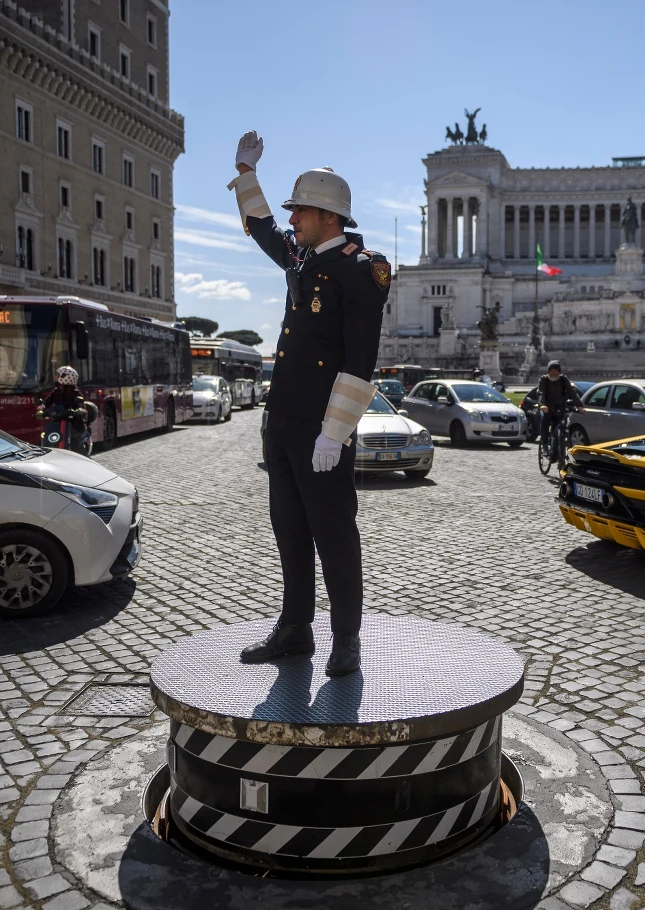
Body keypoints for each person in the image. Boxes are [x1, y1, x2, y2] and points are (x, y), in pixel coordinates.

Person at [227, 130, 389, 677]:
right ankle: (295, 629)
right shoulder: (302, 255)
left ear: (327, 215)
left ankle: (347, 639)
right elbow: (261, 228)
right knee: (290, 532)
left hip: (322, 428)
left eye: (301, 211)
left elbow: (360, 359)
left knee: (334, 534)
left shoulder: (360, 270)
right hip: (283, 421)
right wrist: (246, 174)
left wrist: (334, 431)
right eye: (293, 210)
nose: (292, 219)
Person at [38, 366, 89, 450]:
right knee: (48, 434)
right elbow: (48, 400)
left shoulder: (75, 393)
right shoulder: (56, 391)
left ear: (66, 378)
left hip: (73, 422)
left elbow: (83, 407)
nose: (56, 377)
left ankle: (77, 453)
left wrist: (80, 411)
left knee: (75, 441)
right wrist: (42, 407)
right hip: (58, 420)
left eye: (58, 375)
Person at [536, 360, 580, 457]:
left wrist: (579, 405)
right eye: (551, 370)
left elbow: (572, 392)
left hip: (559, 408)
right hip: (546, 408)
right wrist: (542, 404)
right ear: (548, 371)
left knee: (560, 427)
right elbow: (541, 392)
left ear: (559, 371)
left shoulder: (563, 379)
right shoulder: (544, 379)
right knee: (545, 420)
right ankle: (544, 445)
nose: (553, 372)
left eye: (555, 370)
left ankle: (558, 449)